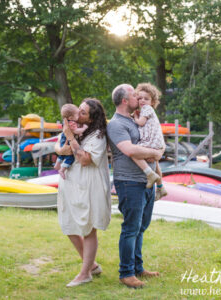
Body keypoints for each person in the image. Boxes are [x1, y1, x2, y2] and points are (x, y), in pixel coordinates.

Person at [107, 84, 164, 289]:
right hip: (129, 182)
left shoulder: (134, 121)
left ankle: (138, 268)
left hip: (145, 181)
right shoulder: (115, 124)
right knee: (130, 229)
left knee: (141, 228)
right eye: (134, 95)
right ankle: (126, 273)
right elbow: (129, 150)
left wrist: (155, 153)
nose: (138, 98)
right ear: (124, 100)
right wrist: (156, 153)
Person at [55, 98, 111, 287]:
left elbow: (85, 159)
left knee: (88, 228)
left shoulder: (98, 135)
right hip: (70, 184)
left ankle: (85, 272)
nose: (78, 114)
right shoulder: (73, 127)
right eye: (79, 109)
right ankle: (92, 265)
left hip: (89, 186)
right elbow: (59, 148)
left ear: (92, 118)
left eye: (83, 113)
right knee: (69, 226)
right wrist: (64, 144)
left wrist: (70, 138)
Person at [133, 83, 167, 200]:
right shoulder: (146, 110)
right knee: (156, 163)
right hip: (156, 142)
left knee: (133, 152)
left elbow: (141, 123)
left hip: (151, 141)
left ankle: (149, 174)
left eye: (146, 99)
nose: (142, 101)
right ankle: (161, 187)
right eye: (140, 98)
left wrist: (134, 118)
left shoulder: (147, 109)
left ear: (152, 102)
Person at [54, 104, 88, 179]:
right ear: (71, 117)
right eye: (77, 114)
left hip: (63, 139)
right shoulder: (72, 123)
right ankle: (62, 169)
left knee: (62, 153)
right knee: (70, 157)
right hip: (67, 141)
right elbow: (75, 131)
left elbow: (59, 147)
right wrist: (84, 129)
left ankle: (57, 163)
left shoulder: (66, 122)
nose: (79, 115)